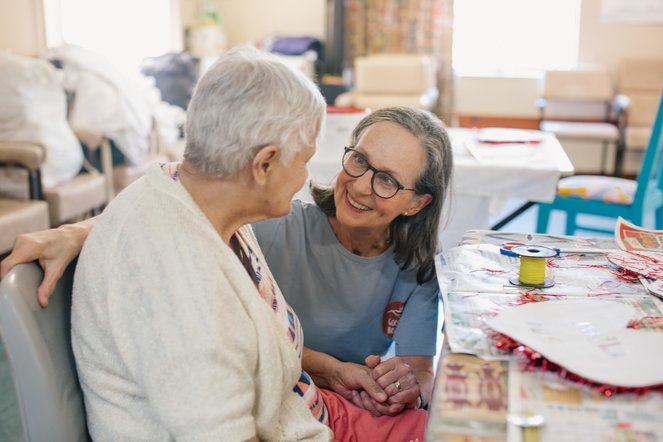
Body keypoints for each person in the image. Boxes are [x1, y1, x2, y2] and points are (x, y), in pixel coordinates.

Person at [3, 45, 434, 441]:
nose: (307, 178)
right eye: (303, 160)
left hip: (306, 409)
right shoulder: (184, 286)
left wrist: (335, 373)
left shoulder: (206, 196)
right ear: (263, 164)